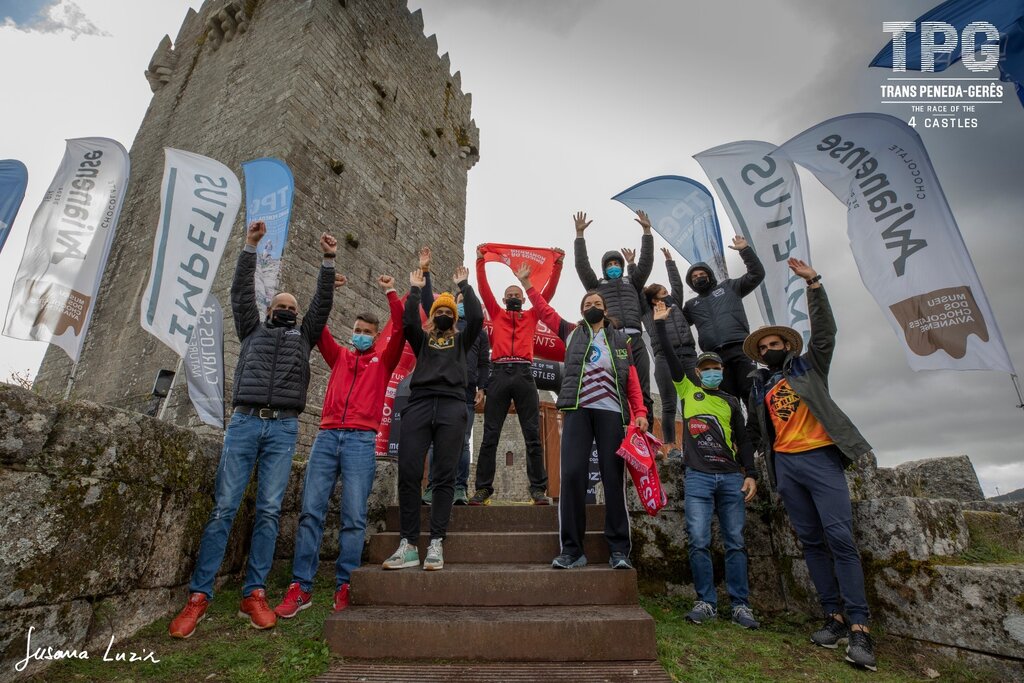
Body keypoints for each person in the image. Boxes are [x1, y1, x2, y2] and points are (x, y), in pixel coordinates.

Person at [169, 221, 336, 638]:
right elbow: (240, 291)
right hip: (244, 423)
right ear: (268, 311)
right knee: (224, 508)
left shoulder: (304, 339)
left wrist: (328, 261)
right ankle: (198, 597)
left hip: (282, 429)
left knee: (268, 511)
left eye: (292, 307)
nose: (287, 308)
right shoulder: (252, 329)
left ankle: (254, 593)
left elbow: (323, 304)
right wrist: (249, 246)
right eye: (281, 304)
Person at [745, 258, 876, 672]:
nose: (769, 350)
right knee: (812, 543)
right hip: (786, 467)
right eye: (763, 348)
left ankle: (860, 628)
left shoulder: (809, 366)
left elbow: (826, 333)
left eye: (774, 344)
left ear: (788, 345)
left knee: (840, 538)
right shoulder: (761, 386)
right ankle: (833, 617)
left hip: (820, 457)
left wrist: (814, 285)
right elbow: (760, 433)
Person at [274, 273, 405, 618]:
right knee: (310, 513)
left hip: (362, 440)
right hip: (327, 435)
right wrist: (327, 289)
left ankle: (345, 583)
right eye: (357, 330)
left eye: (366, 331)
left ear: (376, 336)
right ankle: (301, 587)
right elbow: (316, 327)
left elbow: (403, 328)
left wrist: (391, 292)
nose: (360, 335)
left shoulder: (383, 361)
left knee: (353, 517)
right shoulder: (340, 357)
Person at [524, 265, 647, 570]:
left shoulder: (621, 341)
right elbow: (544, 311)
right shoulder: (571, 332)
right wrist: (527, 284)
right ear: (581, 311)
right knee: (574, 475)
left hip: (611, 413)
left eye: (597, 304)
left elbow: (631, 380)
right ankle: (572, 550)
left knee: (612, 479)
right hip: (577, 411)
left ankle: (619, 550)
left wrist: (641, 411)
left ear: (606, 310)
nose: (593, 307)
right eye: (587, 305)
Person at [652, 301, 758, 630]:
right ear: (698, 372)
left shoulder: (729, 401)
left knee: (735, 542)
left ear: (722, 372)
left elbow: (743, 439)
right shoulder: (688, 391)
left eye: (716, 368)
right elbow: (670, 359)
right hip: (697, 477)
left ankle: (741, 605)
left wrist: (751, 473)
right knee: (698, 540)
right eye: (706, 367)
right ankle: (706, 601)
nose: (712, 371)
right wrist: (659, 326)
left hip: (729, 479)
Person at [384, 265, 483, 571]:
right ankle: (409, 543)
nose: (442, 313)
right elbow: (410, 320)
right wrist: (415, 289)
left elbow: (478, 317)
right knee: (410, 470)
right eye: (437, 309)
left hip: (453, 405)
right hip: (421, 402)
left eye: (447, 311)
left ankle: (437, 541)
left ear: (454, 317)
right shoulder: (423, 341)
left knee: (445, 474)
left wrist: (464, 285)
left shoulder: (462, 341)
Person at [468, 243, 564, 506]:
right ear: (502, 300)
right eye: (509, 293)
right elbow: (483, 288)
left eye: (517, 294)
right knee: (490, 435)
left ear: (523, 299)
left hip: (524, 374)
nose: (513, 296)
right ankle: (483, 489)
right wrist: (480, 262)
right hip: (498, 374)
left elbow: (548, 294)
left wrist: (557, 265)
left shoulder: (532, 315)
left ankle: (537, 490)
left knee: (532, 435)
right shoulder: (497, 313)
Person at [417, 246, 490, 506]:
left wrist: (483, 386)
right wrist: (426, 272)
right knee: (437, 444)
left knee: (463, 444)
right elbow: (429, 304)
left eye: (462, 303)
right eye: (455, 304)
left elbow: (484, 362)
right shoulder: (442, 329)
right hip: (440, 392)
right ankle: (433, 487)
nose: (457, 307)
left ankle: (459, 487)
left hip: (466, 393)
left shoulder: (477, 333)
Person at [573, 210, 655, 421]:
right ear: (604, 269)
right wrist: (579, 236)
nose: (613, 267)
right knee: (618, 386)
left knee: (644, 389)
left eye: (616, 264)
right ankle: (621, 433)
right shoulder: (597, 286)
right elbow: (582, 267)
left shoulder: (633, 282)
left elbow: (645, 262)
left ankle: (647, 441)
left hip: (636, 341)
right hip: (614, 340)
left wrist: (647, 232)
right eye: (609, 265)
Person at [682, 236, 765, 400]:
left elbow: (756, 274)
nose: (698, 277)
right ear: (691, 283)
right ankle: (737, 427)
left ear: (709, 275)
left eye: (701, 274)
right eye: (694, 277)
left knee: (752, 394)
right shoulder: (691, 305)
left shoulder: (729, 287)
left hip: (740, 348)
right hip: (714, 358)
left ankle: (759, 427)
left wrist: (745, 250)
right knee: (726, 400)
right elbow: (675, 322)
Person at [640, 247, 698, 459]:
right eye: (663, 292)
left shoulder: (676, 305)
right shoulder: (648, 313)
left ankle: (693, 446)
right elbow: (639, 292)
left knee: (692, 400)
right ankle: (672, 447)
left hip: (689, 355)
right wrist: (631, 265)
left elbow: (677, 285)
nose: (668, 294)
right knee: (669, 403)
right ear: (654, 299)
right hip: (664, 358)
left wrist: (670, 262)